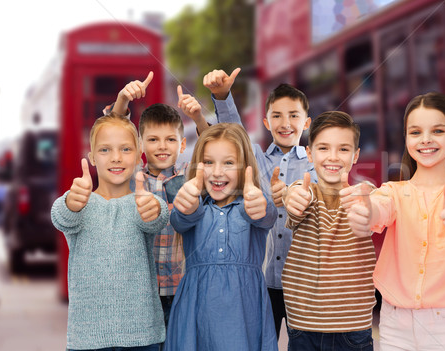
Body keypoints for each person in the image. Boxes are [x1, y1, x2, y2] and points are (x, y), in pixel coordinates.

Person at [341, 92, 445, 351]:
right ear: (406, 139)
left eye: (437, 130)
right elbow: (378, 208)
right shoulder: (393, 192)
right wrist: (366, 214)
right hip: (394, 323)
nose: (425, 140)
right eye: (415, 132)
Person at [204, 68, 317, 338]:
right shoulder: (257, 159)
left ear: (307, 122)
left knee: (303, 343)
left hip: (301, 281)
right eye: (276, 116)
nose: (285, 122)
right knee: (258, 340)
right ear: (266, 123)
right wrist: (222, 96)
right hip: (262, 280)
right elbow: (235, 132)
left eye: (293, 115)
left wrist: (290, 194)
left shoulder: (314, 163)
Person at [51, 112, 169, 351]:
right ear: (92, 157)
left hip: (142, 336)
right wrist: (71, 203)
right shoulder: (79, 203)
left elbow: (157, 218)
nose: (116, 158)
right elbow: (61, 217)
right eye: (105, 150)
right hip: (87, 337)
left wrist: (155, 208)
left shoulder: (145, 202)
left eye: (126, 149)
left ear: (138, 157)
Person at [163, 123, 278, 351]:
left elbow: (267, 216)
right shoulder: (194, 208)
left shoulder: (252, 205)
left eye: (228, 163)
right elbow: (180, 220)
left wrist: (260, 205)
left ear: (245, 166)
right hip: (195, 316)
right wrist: (185, 205)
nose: (216, 172)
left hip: (243, 316)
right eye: (208, 162)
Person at [107, 72, 207, 330]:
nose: (162, 146)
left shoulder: (189, 175)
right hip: (140, 290)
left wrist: (197, 116)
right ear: (140, 144)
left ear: (183, 144)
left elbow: (214, 148)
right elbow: (112, 136)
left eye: (170, 139)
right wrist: (122, 101)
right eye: (152, 140)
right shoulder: (132, 177)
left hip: (181, 288)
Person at [282, 111, 376, 350]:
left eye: (343, 149)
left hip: (354, 328)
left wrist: (369, 203)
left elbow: (374, 202)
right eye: (323, 148)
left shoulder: (364, 195)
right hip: (304, 327)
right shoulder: (304, 192)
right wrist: (292, 197)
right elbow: (294, 199)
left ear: (355, 156)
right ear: (310, 155)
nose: (333, 157)